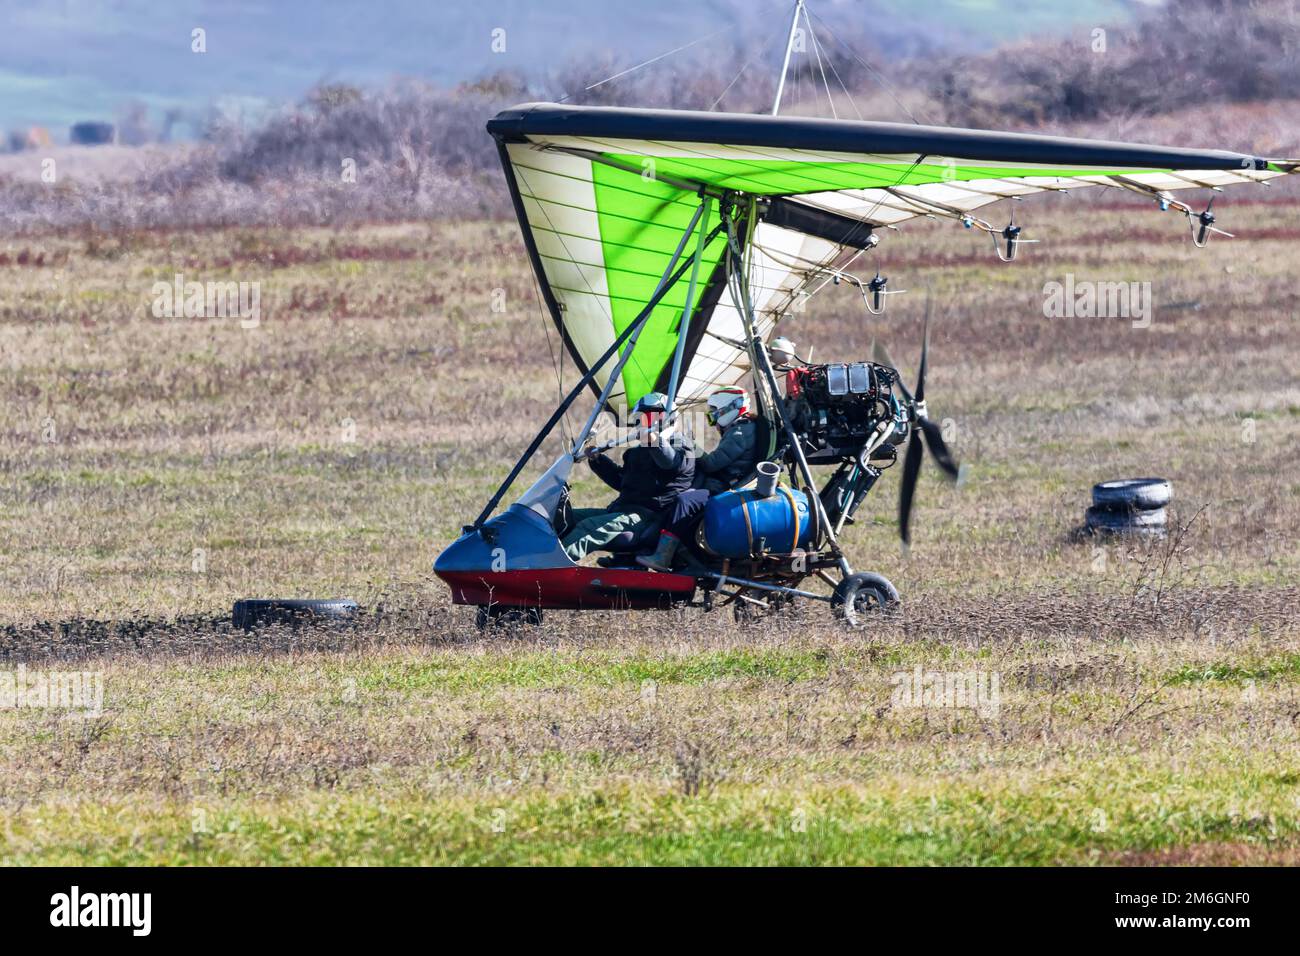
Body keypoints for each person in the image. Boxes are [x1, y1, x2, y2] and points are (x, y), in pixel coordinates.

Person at [637, 386, 760, 571]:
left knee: (684, 501)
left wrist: (690, 445)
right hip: (724, 484)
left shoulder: (740, 433)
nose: (714, 422)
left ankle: (663, 557)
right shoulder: (742, 429)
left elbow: (712, 463)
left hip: (725, 488)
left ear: (729, 409)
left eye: (714, 415)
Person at [562, 392, 695, 562]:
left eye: (650, 417)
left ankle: (547, 567)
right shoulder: (638, 451)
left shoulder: (682, 445)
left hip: (647, 517)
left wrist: (655, 441)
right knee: (564, 517)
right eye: (640, 418)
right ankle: (527, 558)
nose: (644, 422)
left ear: (667, 417)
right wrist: (598, 460)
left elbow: (670, 463)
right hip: (621, 510)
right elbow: (622, 481)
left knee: (588, 527)